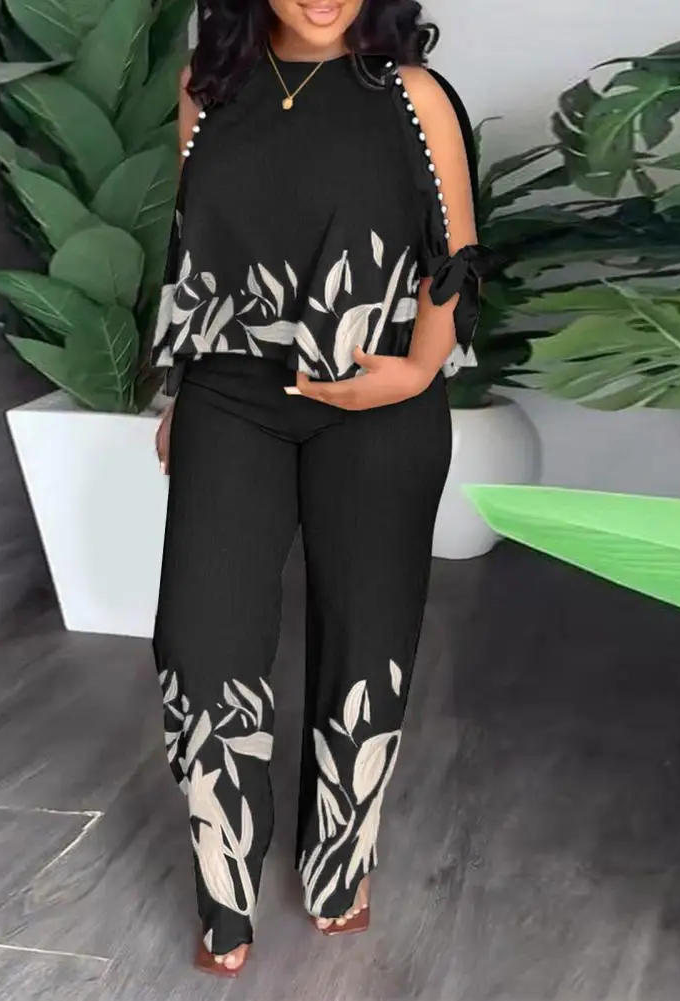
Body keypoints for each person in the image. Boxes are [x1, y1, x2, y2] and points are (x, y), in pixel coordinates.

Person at [151, 0, 492, 978]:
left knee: (365, 643)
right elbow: (191, 248)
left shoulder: (411, 94)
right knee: (199, 643)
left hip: (378, 401)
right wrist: (177, 392)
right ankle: (225, 887)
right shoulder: (207, 89)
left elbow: (454, 256)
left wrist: (415, 372)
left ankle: (337, 864)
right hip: (230, 395)